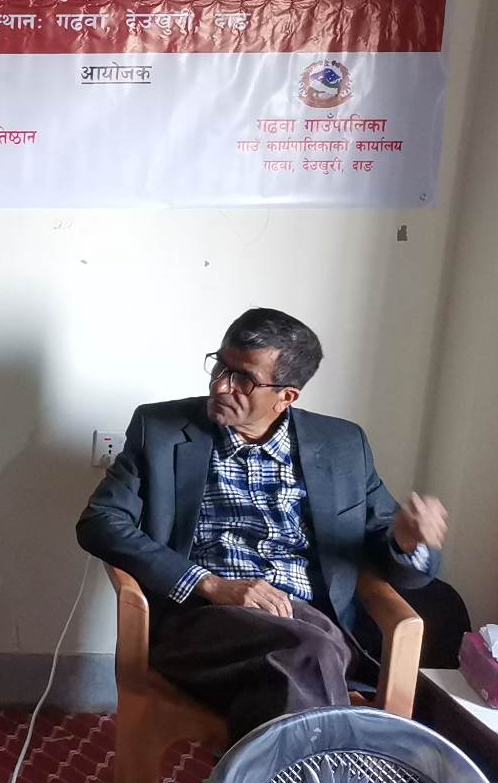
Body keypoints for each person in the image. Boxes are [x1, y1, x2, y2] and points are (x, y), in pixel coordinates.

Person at [76, 307, 447, 741]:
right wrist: (211, 584)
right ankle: (328, 781)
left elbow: (399, 562)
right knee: (310, 650)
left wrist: (409, 542)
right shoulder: (160, 429)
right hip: (205, 624)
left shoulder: (343, 445)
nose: (220, 385)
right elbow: (100, 521)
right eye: (220, 367)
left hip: (312, 624)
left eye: (243, 379)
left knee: (296, 664)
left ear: (287, 396)